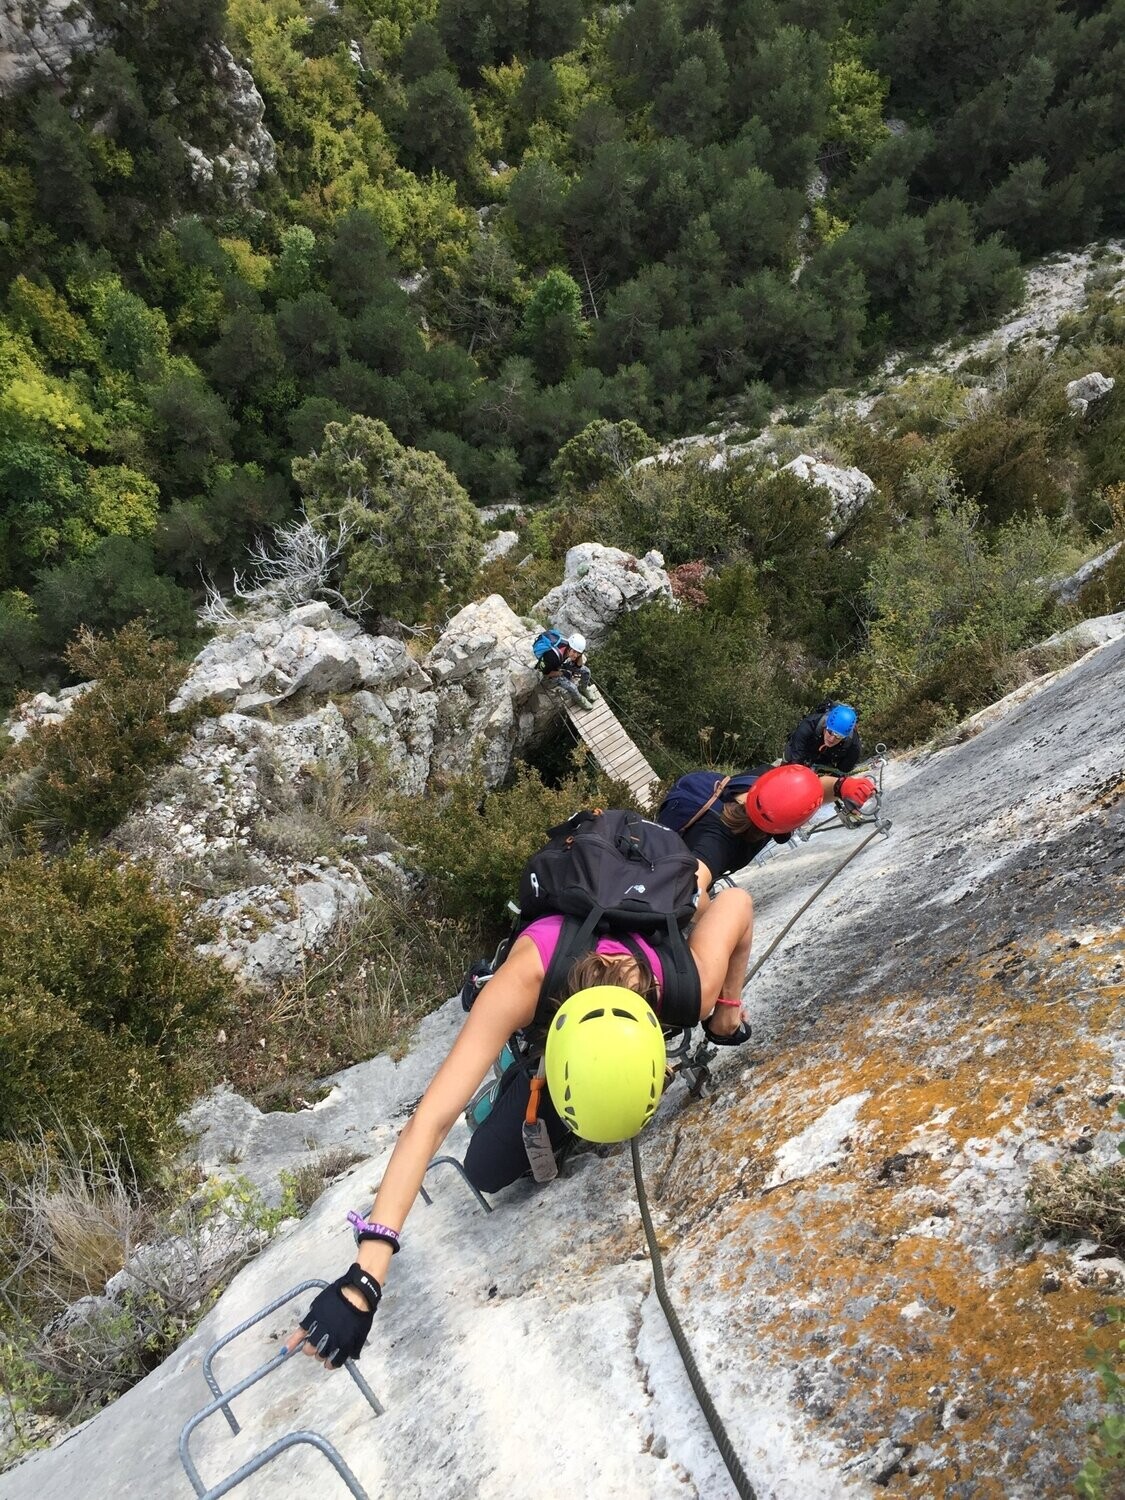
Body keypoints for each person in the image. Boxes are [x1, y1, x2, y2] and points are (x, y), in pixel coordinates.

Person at [283, 866, 754, 1370]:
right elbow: (431, 1119)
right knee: (484, 1169)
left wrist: (724, 1007)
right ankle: (520, 1069)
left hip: (635, 956)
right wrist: (365, 1277)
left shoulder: (689, 990)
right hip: (550, 976)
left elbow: (734, 902)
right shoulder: (521, 981)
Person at [658, 761, 876, 892]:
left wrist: (841, 786)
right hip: (680, 861)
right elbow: (690, 889)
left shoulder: (763, 781)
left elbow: (804, 788)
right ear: (782, 830)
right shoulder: (719, 841)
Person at [783, 702, 862, 794]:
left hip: (826, 761)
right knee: (789, 758)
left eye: (838, 736)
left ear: (845, 737)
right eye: (830, 732)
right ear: (825, 725)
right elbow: (796, 757)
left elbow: (843, 770)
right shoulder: (809, 725)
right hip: (806, 751)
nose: (832, 739)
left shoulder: (853, 746)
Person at [538, 631, 594, 710]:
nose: (575, 655)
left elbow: (578, 666)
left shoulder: (571, 648)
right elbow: (546, 673)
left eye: (578, 653)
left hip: (560, 663)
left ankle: (583, 688)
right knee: (572, 687)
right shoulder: (553, 656)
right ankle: (580, 700)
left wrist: (579, 655)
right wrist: (561, 673)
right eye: (574, 652)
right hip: (548, 674)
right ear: (569, 647)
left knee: (586, 671)